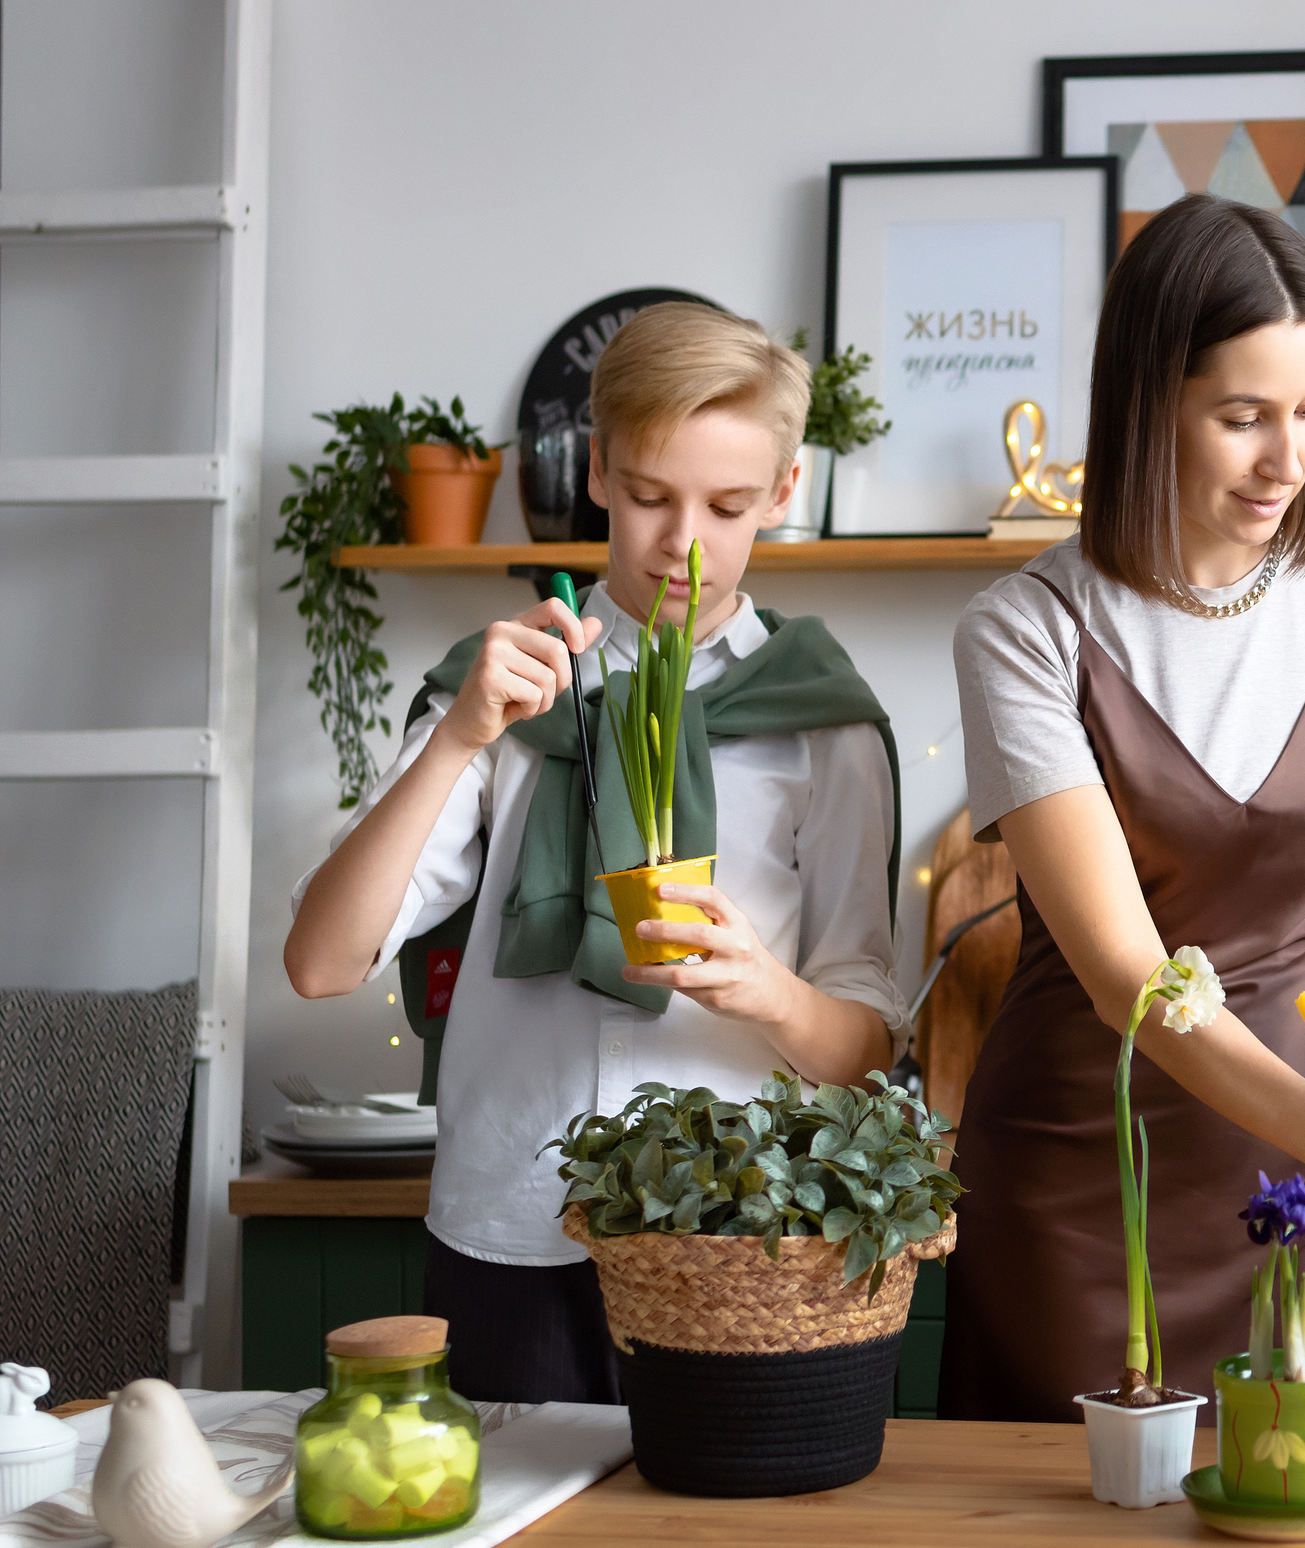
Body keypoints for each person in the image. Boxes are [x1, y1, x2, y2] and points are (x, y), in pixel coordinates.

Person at [939, 193, 1305, 1419]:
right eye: (1243, 416)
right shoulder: (1027, 631)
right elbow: (1129, 977)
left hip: (1304, 1192)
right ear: (1146, 400)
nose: (1288, 458)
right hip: (1083, 1186)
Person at [282, 303, 904, 1405]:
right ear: (599, 472)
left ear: (783, 491)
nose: (683, 543)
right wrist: (458, 738)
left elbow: (865, 1050)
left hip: (739, 1245)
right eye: (653, 495)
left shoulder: (824, 718)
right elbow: (322, 962)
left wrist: (767, 989)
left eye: (727, 505)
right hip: (512, 1222)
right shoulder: (502, 687)